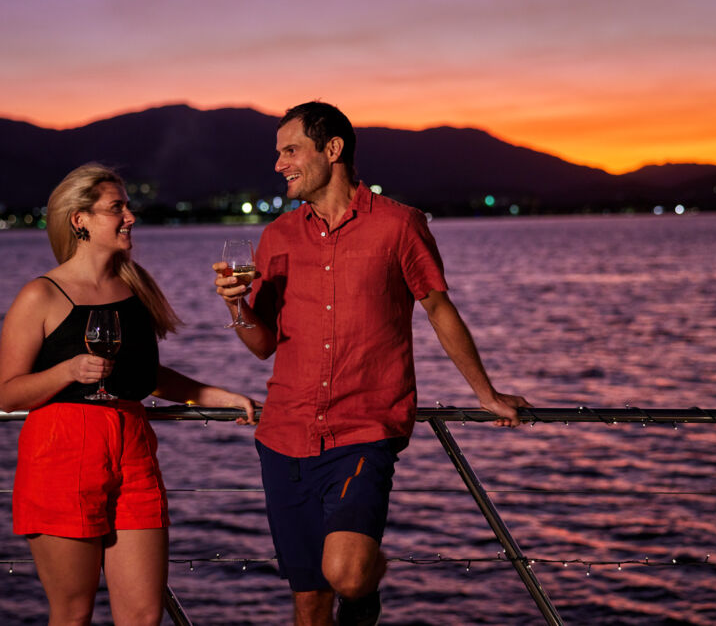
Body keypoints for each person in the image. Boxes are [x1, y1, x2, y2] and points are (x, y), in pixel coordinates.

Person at [214, 101, 530, 626]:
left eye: (290, 150)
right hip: (283, 436)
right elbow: (263, 343)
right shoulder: (276, 238)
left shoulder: (399, 225)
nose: (279, 164)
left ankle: (365, 594)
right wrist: (234, 307)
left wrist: (485, 394)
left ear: (331, 150)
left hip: (363, 429)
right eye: (278, 154)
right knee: (310, 604)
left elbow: (437, 306)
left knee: (349, 574)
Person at [0, 163, 257, 626]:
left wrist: (215, 395)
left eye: (128, 206)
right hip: (61, 452)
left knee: (142, 614)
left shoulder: (135, 285)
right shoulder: (40, 295)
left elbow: (145, 374)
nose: (130, 216)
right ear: (79, 219)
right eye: (116, 207)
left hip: (133, 450)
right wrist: (68, 370)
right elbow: (8, 393)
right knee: (74, 612)